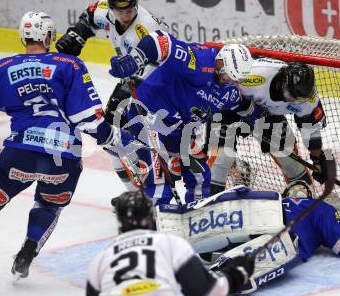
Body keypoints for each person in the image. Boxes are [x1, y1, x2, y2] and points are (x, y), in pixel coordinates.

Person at [0, 11, 139, 279]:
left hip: (18, 154)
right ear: (48, 36)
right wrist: (116, 139)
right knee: (48, 204)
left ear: (23, 36)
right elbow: (89, 119)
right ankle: (30, 247)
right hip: (64, 159)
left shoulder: (3, 68)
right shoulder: (69, 64)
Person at [155, 182, 340, 294]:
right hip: (273, 225)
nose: (299, 191)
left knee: (223, 243)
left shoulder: (311, 206)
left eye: (301, 188)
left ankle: (169, 239)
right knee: (233, 257)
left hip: (271, 227)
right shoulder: (316, 206)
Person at [107, 30, 254, 203]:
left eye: (236, 80)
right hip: (149, 118)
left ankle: (200, 218)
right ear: (220, 63)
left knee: (200, 178)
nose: (231, 82)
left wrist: (253, 117)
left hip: (179, 131)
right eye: (228, 76)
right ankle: (148, 222)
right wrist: (134, 59)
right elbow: (161, 40)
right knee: (161, 188)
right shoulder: (199, 61)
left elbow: (243, 106)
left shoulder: (230, 91)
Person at [56, 0, 169, 194]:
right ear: (112, 8)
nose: (125, 15)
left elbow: (166, 58)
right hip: (131, 80)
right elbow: (89, 15)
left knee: (142, 136)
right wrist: (77, 34)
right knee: (109, 135)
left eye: (129, 10)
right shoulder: (105, 11)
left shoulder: (147, 28)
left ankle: (153, 185)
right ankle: (133, 193)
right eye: (120, 10)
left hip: (155, 83)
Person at [86, 190, 255, 296]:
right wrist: (237, 274)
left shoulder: (102, 258)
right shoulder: (170, 244)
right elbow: (208, 290)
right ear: (151, 216)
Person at [204, 58, 335, 194]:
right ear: (281, 82)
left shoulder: (308, 99)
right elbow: (217, 89)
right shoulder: (253, 75)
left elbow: (309, 124)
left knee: (290, 160)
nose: (292, 101)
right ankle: (210, 200)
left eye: (298, 99)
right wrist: (244, 111)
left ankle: (302, 199)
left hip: (266, 113)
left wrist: (317, 157)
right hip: (228, 108)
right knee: (222, 158)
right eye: (289, 95)